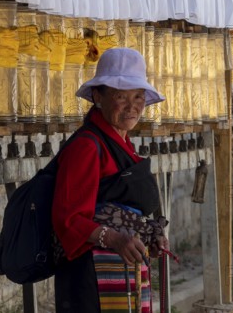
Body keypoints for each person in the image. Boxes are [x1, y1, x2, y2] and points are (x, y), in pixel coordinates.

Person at [52, 47, 169, 313]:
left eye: (138, 96)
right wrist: (115, 239)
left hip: (124, 274)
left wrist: (150, 235)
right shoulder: (86, 147)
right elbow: (68, 220)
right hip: (90, 279)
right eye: (120, 96)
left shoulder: (122, 145)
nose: (132, 107)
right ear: (98, 97)